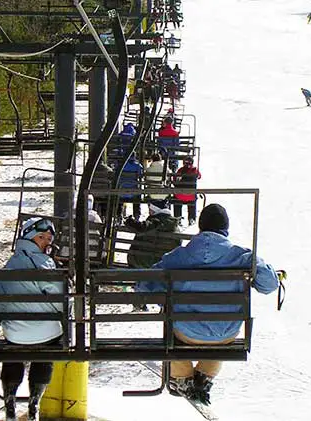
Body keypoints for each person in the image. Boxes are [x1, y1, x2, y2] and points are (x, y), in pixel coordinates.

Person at [136, 204, 279, 405]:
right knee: (219, 328)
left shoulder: (178, 257)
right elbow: (270, 285)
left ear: (200, 228)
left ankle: (183, 378)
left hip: (184, 333)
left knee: (170, 324)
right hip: (226, 333)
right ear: (225, 229)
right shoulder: (242, 256)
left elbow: (145, 287)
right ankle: (202, 378)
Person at [0, 217, 64, 421]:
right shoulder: (46, 264)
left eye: (48, 238)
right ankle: (34, 401)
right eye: (42, 237)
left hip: (15, 334)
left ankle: (10, 399)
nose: (46, 242)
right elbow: (61, 302)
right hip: (47, 334)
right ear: (31, 237)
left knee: (14, 350)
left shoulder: (9, 265)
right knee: (46, 350)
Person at [173, 157, 202, 225]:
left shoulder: (180, 170)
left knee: (176, 200)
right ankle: (191, 218)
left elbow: (175, 180)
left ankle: (177, 217)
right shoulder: (195, 170)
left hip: (180, 196)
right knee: (193, 200)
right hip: (191, 197)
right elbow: (199, 176)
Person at [119, 154, 145, 220]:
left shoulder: (121, 165)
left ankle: (118, 215)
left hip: (121, 192)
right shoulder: (138, 166)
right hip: (133, 192)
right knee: (138, 194)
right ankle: (137, 215)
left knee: (118, 195)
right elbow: (141, 176)